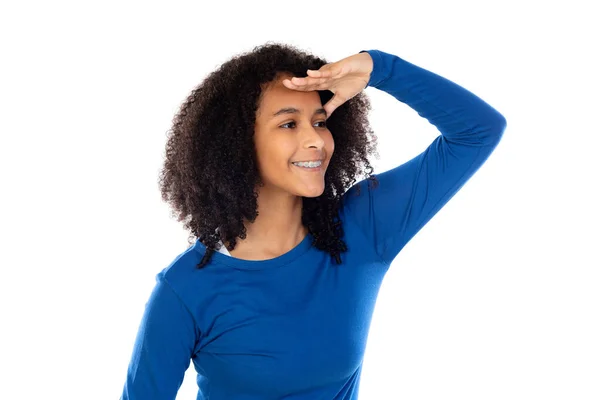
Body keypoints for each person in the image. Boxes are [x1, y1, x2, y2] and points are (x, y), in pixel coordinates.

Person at [120, 43, 506, 399]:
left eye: (319, 122)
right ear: (237, 144)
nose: (316, 141)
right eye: (289, 124)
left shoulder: (362, 229)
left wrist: (379, 68)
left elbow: (478, 131)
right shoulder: (186, 289)